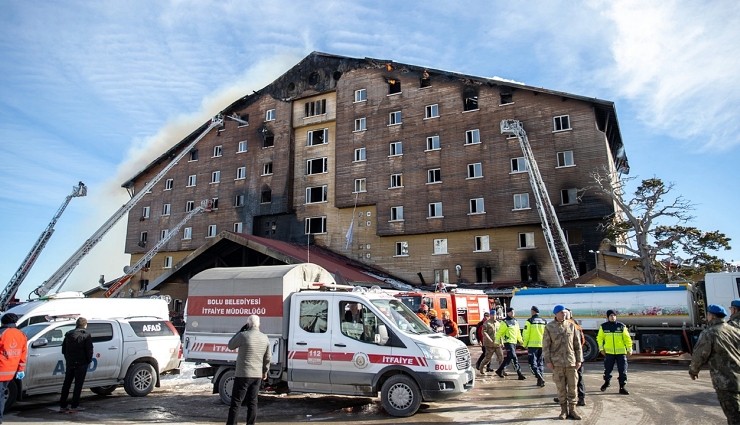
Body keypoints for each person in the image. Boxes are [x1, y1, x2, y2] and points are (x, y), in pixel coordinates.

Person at [689, 304, 740, 425]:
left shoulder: (709, 333)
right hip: (738, 377)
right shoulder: (735, 331)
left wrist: (693, 370)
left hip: (725, 381)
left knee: (734, 416)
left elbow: (700, 355)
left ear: (711, 316)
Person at [226, 314, 271, 425]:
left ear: (248, 324)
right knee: (252, 402)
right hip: (257, 375)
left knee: (236, 402)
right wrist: (265, 371)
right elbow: (268, 357)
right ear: (259, 324)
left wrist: (239, 331)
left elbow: (230, 345)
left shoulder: (243, 335)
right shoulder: (264, 338)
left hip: (243, 374)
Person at [543, 304, 584, 420]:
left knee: (573, 387)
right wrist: (548, 361)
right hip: (557, 363)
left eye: (565, 312)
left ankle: (573, 410)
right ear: (556, 314)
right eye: (561, 312)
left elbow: (577, 345)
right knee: (561, 388)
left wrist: (579, 359)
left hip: (571, 362)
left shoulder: (571, 326)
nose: (564, 314)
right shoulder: (549, 327)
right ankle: (563, 411)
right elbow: (546, 346)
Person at [60, 317, 94, 412]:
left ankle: (62, 405)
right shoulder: (86, 335)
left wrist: (68, 359)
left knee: (67, 383)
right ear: (85, 325)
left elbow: (63, 350)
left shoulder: (68, 334)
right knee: (78, 385)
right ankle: (74, 406)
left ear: (76, 324)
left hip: (70, 363)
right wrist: (89, 360)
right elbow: (89, 350)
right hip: (81, 363)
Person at [554, 308, 587, 406]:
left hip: (573, 356)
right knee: (565, 378)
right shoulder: (566, 324)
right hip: (565, 357)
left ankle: (581, 398)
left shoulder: (573, 325)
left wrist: (576, 354)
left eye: (565, 313)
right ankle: (563, 397)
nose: (564, 315)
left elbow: (580, 340)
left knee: (577, 378)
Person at [597, 309, 633, 395]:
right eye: (610, 316)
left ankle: (622, 387)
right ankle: (607, 382)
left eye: (614, 315)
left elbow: (627, 339)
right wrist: (601, 349)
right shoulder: (604, 327)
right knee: (607, 370)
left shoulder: (621, 326)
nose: (612, 317)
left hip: (621, 353)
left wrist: (629, 349)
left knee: (623, 371)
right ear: (608, 317)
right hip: (609, 353)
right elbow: (599, 338)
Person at [0, 313, 27, 423]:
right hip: (10, 372)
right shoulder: (21, 335)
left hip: (1, 369)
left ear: (3, 322)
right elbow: (23, 354)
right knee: (1, 395)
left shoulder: (2, 333)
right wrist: (20, 369)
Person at [495, 307, 527, 380]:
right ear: (508, 313)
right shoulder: (505, 322)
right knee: (514, 357)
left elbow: (518, 333)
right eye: (511, 312)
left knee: (508, 359)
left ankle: (499, 370)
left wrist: (521, 341)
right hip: (508, 342)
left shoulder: (515, 321)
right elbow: (499, 333)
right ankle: (519, 374)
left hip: (514, 342)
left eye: (513, 312)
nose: (513, 314)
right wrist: (497, 341)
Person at [523, 305, 547, 387]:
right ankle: (540, 381)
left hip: (532, 345)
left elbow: (526, 334)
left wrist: (524, 344)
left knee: (532, 363)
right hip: (542, 345)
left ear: (532, 311)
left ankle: (539, 377)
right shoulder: (544, 321)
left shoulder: (529, 321)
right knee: (540, 363)